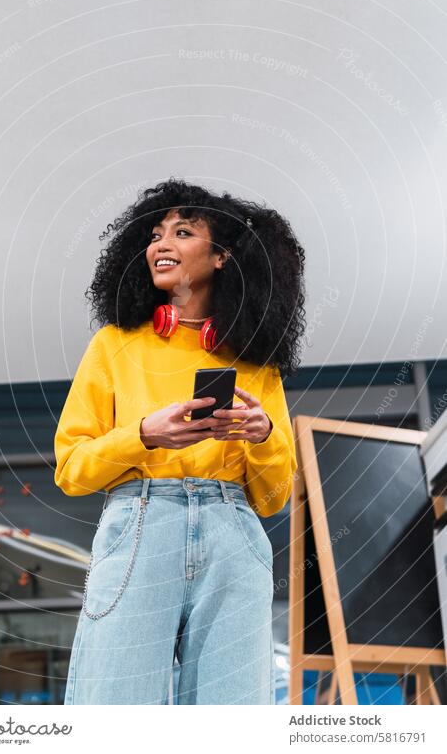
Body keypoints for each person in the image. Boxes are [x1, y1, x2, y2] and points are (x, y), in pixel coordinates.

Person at [54, 177, 306, 704]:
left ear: (221, 258)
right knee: (117, 711)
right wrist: (144, 435)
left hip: (232, 529)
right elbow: (71, 469)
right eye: (155, 234)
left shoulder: (255, 361)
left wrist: (262, 437)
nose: (161, 245)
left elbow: (274, 496)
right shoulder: (115, 345)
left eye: (183, 232)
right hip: (140, 523)